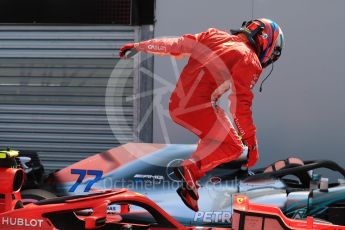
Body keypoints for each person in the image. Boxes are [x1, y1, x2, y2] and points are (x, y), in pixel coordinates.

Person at [119, 18, 284, 211]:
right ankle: (190, 170)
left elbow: (176, 44)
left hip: (177, 106)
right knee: (234, 147)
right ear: (266, 40)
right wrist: (252, 142)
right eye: (272, 53)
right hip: (200, 108)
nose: (269, 58)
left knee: (216, 139)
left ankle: (190, 187)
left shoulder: (214, 35)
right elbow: (240, 107)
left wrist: (141, 46)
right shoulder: (249, 60)